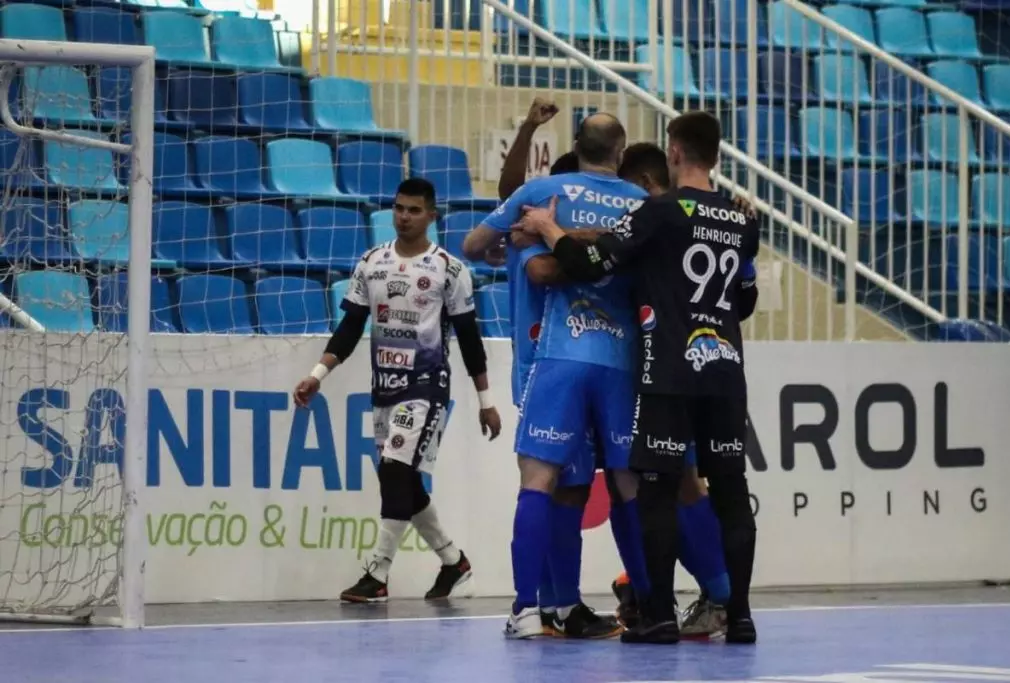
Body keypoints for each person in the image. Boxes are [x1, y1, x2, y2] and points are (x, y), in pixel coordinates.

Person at [515, 111, 760, 645]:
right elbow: (745, 300)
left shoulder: (659, 212)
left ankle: (659, 616)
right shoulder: (744, 219)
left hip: (668, 369)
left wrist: (550, 229)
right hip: (724, 370)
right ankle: (739, 614)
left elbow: (592, 260)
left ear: (675, 152)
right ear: (717, 155)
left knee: (655, 489)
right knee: (730, 491)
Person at [467, 112, 653, 640]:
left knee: (552, 482)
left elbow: (474, 244)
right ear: (620, 153)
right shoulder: (641, 205)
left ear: (575, 148)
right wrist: (599, 244)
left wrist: (556, 232)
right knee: (615, 483)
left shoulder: (541, 199)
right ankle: (631, 605)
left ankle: (539, 608)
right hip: (617, 361)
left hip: (556, 358)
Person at [293, 178, 502, 604]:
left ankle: (377, 574)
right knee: (401, 480)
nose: (404, 217)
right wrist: (317, 374)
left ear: (431, 216)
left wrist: (486, 402)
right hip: (384, 389)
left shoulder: (449, 269)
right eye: (399, 208)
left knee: (394, 471)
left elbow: (469, 339)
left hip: (426, 387)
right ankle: (454, 563)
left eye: (414, 210)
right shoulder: (372, 262)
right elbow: (351, 327)